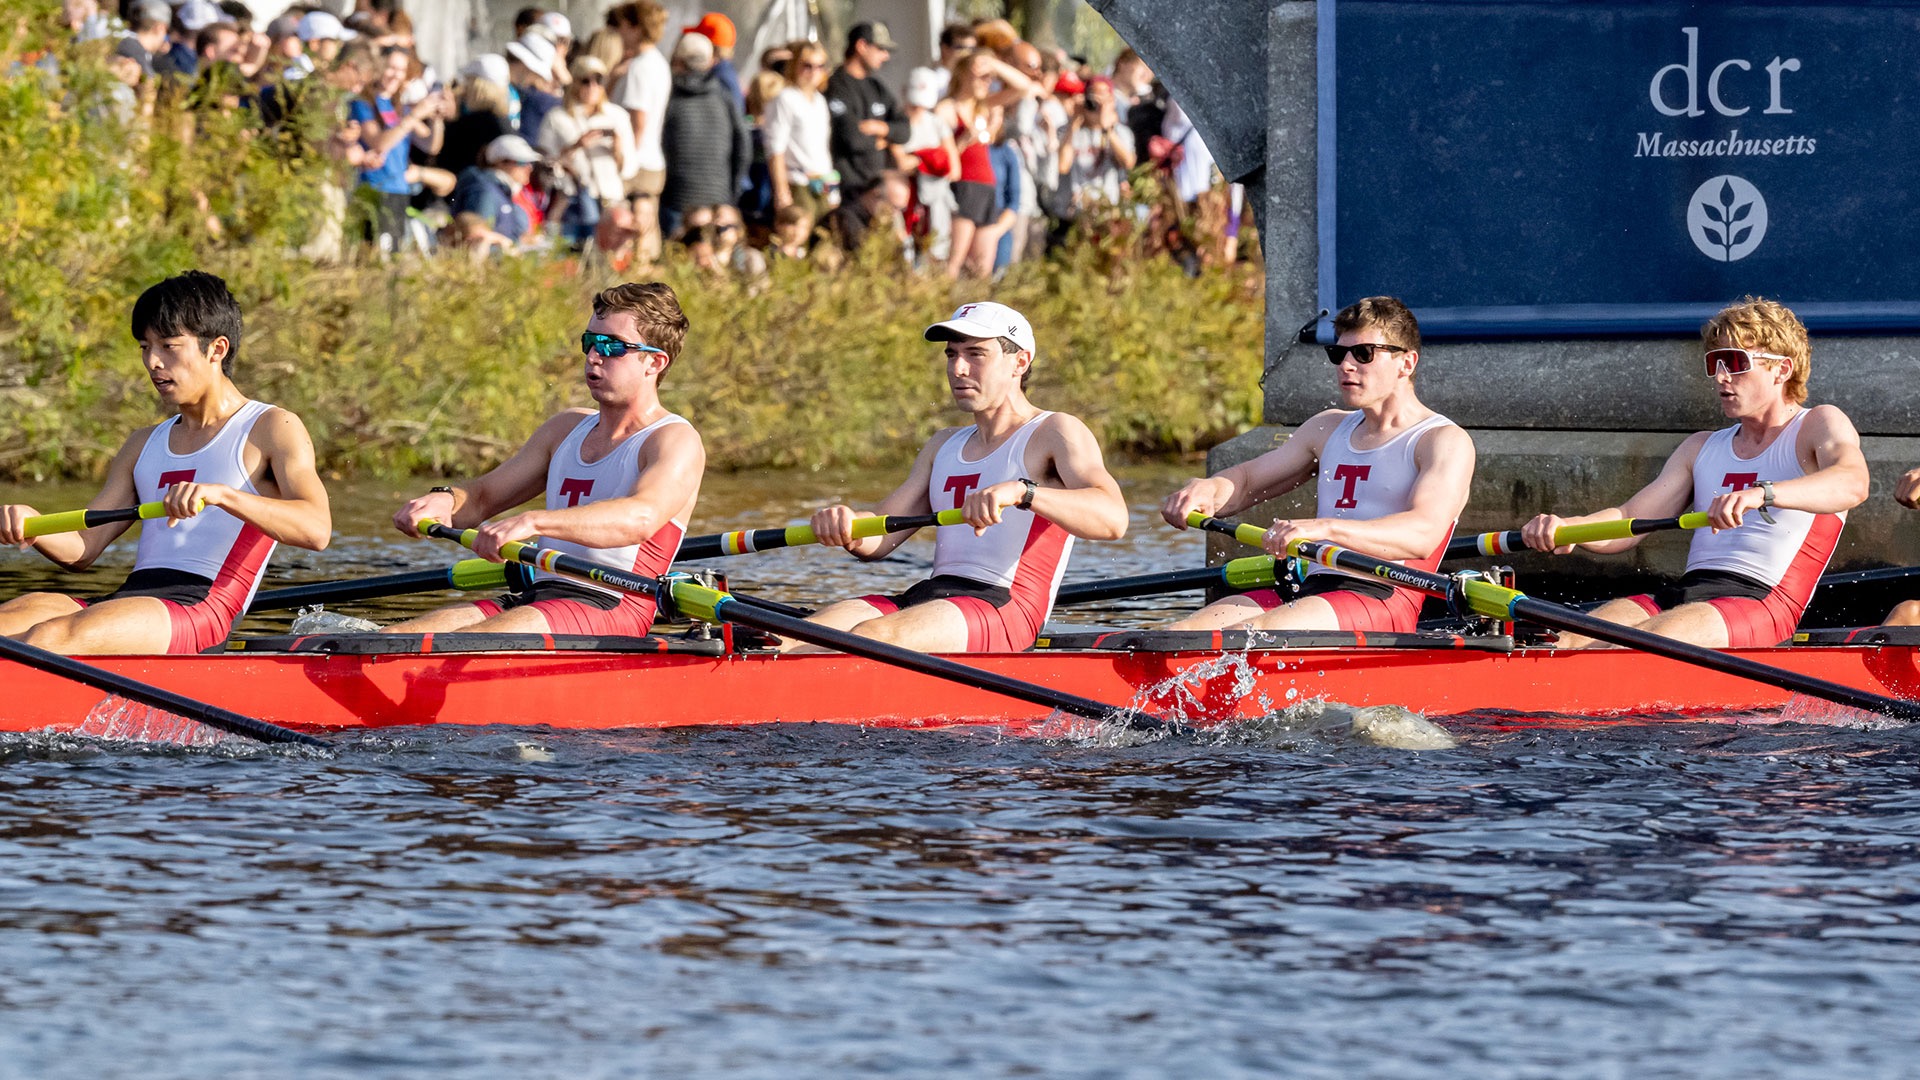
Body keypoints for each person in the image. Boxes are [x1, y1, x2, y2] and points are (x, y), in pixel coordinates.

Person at [0, 272, 331, 655]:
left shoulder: (272, 428)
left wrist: (223, 495)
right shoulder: (142, 443)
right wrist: (31, 523)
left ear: (216, 349)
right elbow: (84, 548)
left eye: (169, 346)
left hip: (200, 609)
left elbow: (317, 529)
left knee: (46, 640)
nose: (153, 362)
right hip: (131, 601)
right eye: (145, 347)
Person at [1521, 297, 1868, 648]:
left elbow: (1853, 482)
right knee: (1564, 643)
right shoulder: (1701, 447)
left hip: (1762, 603)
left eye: (1735, 362)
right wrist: (1568, 528)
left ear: (1781, 370)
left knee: (1634, 646)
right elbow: (1628, 520)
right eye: (1715, 362)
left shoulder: (1817, 424)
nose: (1721, 376)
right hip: (1686, 593)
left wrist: (1762, 493)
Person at [794, 302, 1127, 653]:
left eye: (976, 354)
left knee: (870, 638)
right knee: (791, 638)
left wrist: (1023, 493)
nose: (958, 368)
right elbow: (880, 537)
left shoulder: (1055, 431)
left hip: (1006, 607)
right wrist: (846, 524)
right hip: (930, 596)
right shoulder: (943, 445)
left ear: (1020, 362)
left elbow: (1113, 519)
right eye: (951, 355)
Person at [387, 283, 704, 636]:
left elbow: (640, 518)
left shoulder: (673, 440)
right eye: (589, 342)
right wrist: (445, 498)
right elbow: (482, 498)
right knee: (392, 641)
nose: (593, 357)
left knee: (462, 646)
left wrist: (535, 522)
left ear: (655, 362)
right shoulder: (563, 429)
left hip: (613, 606)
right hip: (539, 597)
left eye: (612, 347)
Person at [1160, 297, 1475, 633]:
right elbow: (1248, 481)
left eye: (1364, 353)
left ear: (1406, 363)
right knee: (1175, 636)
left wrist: (1324, 528)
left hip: (1382, 595)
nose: (1346, 365)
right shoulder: (1326, 428)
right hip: (1312, 589)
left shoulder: (1441, 441)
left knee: (1243, 638)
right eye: (1339, 354)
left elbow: (1422, 534)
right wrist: (1210, 489)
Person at [537, 54, 633, 250]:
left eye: (599, 81)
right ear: (575, 83)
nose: (592, 87)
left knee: (606, 257)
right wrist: (575, 146)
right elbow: (543, 164)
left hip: (609, 198)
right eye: (585, 81)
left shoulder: (617, 116)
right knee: (572, 256)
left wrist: (617, 147)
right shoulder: (556, 118)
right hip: (572, 200)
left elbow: (629, 168)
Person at [659, 30, 748, 240]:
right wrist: (730, 193)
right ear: (711, 61)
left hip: (676, 199)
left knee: (677, 260)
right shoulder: (724, 98)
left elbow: (660, 145)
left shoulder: (669, 97)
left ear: (678, 60)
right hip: (718, 198)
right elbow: (743, 147)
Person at [609, 0, 670, 265]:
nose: (620, 33)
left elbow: (638, 120)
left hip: (638, 161)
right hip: (652, 159)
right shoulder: (658, 62)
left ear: (635, 27)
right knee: (647, 229)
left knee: (631, 233)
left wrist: (625, 160)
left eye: (623, 26)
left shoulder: (641, 66)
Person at [825, 21, 908, 205]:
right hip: (850, 191)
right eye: (880, 49)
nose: (886, 56)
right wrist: (884, 140)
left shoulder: (876, 87)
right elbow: (852, 139)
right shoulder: (837, 86)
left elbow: (905, 130)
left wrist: (881, 128)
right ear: (861, 46)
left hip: (878, 188)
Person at [765, 42, 835, 224]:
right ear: (795, 65)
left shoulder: (820, 101)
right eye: (807, 65)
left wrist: (833, 190)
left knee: (825, 240)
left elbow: (822, 148)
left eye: (820, 66)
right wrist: (781, 192)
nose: (814, 72)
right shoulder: (785, 98)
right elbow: (775, 148)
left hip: (823, 181)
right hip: (798, 182)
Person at [449, 133, 542, 245]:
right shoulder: (484, 191)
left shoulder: (504, 192)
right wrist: (515, 244)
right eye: (522, 162)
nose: (529, 168)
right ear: (501, 162)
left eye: (530, 163)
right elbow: (476, 238)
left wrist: (519, 241)